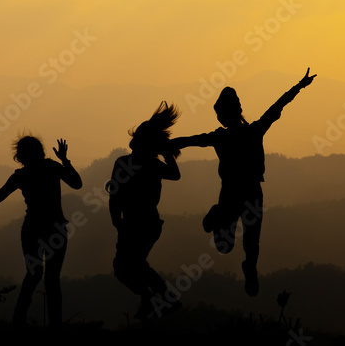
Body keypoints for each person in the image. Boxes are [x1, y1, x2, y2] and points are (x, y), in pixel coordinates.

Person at [172, 68, 316, 297]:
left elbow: (191, 140)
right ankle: (239, 248)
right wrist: (299, 86)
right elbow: (277, 107)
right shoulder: (251, 131)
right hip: (245, 193)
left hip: (236, 194)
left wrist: (166, 144)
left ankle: (247, 262)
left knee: (244, 242)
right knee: (245, 242)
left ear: (223, 115)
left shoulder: (228, 135)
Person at [0, 135, 82, 326]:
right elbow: (77, 183)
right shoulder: (52, 167)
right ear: (41, 152)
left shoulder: (22, 176)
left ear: (20, 156)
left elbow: (0, 194)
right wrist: (65, 160)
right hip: (55, 228)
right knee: (52, 279)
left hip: (32, 229)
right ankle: (54, 326)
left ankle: (19, 321)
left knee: (34, 275)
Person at [108, 102, 182, 319]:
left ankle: (157, 299)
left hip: (141, 223)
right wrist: (117, 221)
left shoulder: (138, 164)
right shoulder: (145, 164)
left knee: (127, 267)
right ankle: (157, 299)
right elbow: (114, 196)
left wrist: (116, 221)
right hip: (141, 223)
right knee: (130, 266)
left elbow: (114, 196)